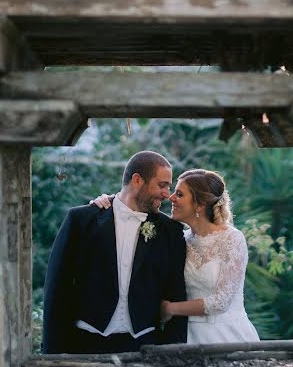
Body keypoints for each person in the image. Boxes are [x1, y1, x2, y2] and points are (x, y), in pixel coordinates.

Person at [42, 151, 187, 354]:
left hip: (145, 346)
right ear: (137, 180)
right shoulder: (81, 221)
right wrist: (52, 354)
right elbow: (57, 289)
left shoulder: (171, 231)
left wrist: (173, 355)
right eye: (162, 185)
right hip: (84, 344)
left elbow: (177, 293)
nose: (167, 194)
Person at [93, 169, 259, 345]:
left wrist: (170, 308)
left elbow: (221, 302)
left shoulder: (232, 239)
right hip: (183, 336)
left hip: (226, 336)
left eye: (179, 194)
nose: (171, 198)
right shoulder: (180, 239)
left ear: (199, 204)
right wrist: (110, 201)